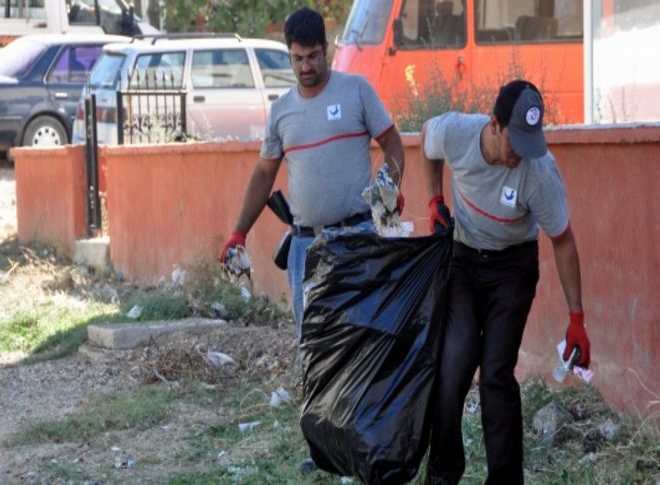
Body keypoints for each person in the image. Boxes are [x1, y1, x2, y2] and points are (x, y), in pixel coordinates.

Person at [218, 7, 405, 471]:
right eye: (298, 58)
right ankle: (322, 453)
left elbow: (394, 145)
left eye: (313, 56)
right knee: (315, 347)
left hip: (360, 237)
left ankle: (367, 445)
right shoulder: (281, 113)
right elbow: (264, 174)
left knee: (363, 339)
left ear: (327, 49)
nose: (306, 66)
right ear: (290, 56)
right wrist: (239, 231)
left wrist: (389, 189)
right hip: (307, 248)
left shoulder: (356, 91)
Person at [420, 79, 591, 484]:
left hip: (512, 269)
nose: (522, 154)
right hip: (463, 259)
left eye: (531, 142)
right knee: (454, 362)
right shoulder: (458, 134)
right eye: (516, 142)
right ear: (494, 125)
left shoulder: (539, 170)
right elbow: (427, 141)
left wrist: (577, 318)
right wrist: (434, 201)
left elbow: (563, 242)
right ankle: (443, 474)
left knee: (496, 372)